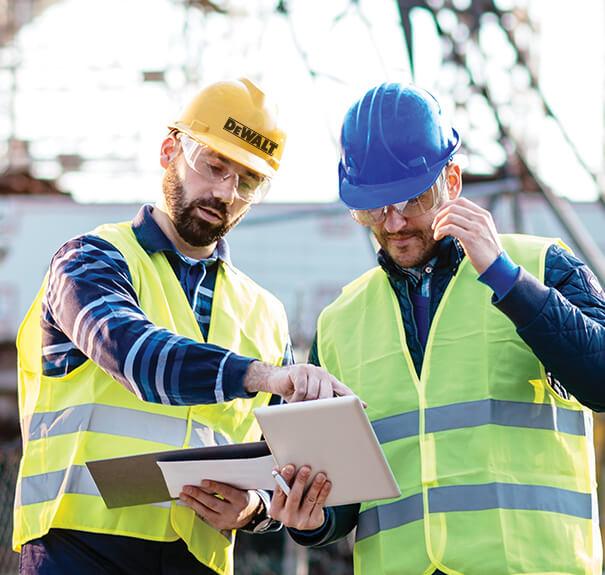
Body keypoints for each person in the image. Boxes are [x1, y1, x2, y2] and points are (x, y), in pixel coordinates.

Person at [14, 77, 352, 575]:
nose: (225, 192)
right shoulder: (88, 261)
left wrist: (257, 509)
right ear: (169, 150)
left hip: (197, 558)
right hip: (76, 549)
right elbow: (135, 357)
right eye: (214, 166)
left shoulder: (265, 312)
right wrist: (261, 376)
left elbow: (279, 462)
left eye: (247, 182)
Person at [270, 83, 605, 574]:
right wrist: (310, 517)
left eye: (413, 199)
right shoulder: (340, 322)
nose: (396, 221)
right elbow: (341, 498)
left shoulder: (541, 265)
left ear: (453, 178)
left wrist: (507, 281)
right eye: (375, 207)